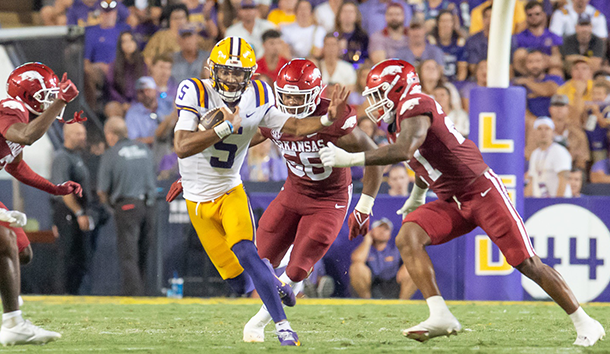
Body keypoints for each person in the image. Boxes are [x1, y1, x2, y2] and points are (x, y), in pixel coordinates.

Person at [318, 59, 605, 346]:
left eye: (380, 92)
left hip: (480, 192)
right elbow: (422, 162)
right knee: (408, 235)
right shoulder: (400, 119)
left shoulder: (416, 103)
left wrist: (351, 159)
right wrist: (417, 196)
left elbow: (405, 150)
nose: (375, 101)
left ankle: (585, 322)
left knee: (527, 263)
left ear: (398, 88)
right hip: (452, 200)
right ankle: (440, 314)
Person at [167, 37, 350, 346]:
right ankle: (269, 274)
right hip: (197, 199)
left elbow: (291, 125)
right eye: (224, 71)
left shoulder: (260, 94)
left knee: (245, 250)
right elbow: (182, 147)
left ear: (249, 74)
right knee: (239, 284)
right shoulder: (196, 91)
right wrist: (222, 132)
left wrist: (328, 119)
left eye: (237, 74)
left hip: (229, 189)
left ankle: (282, 326)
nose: (229, 79)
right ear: (213, 69)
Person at [241, 58, 382, 342]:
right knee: (259, 258)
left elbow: (375, 157)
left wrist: (364, 206)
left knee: (295, 269)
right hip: (293, 191)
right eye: (287, 95)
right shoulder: (274, 116)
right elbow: (239, 143)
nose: (291, 101)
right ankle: (275, 302)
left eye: (298, 96)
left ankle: (257, 324)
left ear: (315, 94)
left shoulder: (335, 119)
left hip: (329, 200)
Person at [0, 62, 84, 345]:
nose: (50, 102)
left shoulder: (20, 115)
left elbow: (15, 166)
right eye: (45, 96)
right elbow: (26, 136)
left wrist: (55, 188)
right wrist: (60, 100)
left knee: (22, 252)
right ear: (26, 96)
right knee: (5, 240)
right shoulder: (10, 109)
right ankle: (13, 323)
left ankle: (13, 319)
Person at [97, 117, 157, 296]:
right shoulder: (145, 149)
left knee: (128, 254)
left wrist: (110, 207)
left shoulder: (112, 153)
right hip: (150, 205)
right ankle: (146, 291)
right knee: (145, 250)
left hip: (127, 206)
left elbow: (102, 190)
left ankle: (133, 294)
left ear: (111, 135)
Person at [51, 123, 94, 295]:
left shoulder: (77, 156)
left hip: (76, 212)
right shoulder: (62, 157)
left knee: (79, 257)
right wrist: (79, 212)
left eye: (83, 133)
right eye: (78, 134)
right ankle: (62, 294)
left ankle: (73, 293)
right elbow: (63, 190)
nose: (83, 137)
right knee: (67, 256)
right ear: (67, 135)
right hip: (67, 212)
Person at [350, 218, 416, 299]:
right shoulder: (366, 249)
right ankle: (367, 303)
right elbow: (356, 260)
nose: (382, 231)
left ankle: (402, 305)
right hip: (371, 286)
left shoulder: (395, 249)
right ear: (371, 231)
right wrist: (367, 241)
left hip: (393, 286)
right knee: (357, 267)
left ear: (389, 235)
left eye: (386, 229)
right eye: (378, 228)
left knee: (413, 268)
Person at [525, 117, 573, 198]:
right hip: (540, 200)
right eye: (539, 129)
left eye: (547, 129)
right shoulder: (535, 154)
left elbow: (563, 179)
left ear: (553, 132)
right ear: (534, 133)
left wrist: (557, 202)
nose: (543, 132)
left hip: (557, 202)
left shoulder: (559, 151)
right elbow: (532, 180)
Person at [512, 1, 563, 77]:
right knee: (520, 54)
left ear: (543, 15)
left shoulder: (553, 36)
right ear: (526, 17)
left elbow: (558, 59)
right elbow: (516, 60)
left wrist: (541, 61)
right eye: (530, 15)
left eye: (537, 14)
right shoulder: (518, 37)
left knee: (556, 70)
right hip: (526, 71)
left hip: (546, 70)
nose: (534, 17)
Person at [106, 30, 148, 118]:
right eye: (124, 42)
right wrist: (123, 103)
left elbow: (145, 85)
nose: (128, 44)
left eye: (131, 40)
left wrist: (136, 103)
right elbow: (111, 87)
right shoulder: (114, 65)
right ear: (120, 46)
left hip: (139, 101)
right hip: (120, 102)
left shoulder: (143, 64)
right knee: (113, 108)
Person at [512, 50, 563, 118]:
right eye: (530, 62)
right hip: (529, 122)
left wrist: (527, 82)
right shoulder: (519, 83)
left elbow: (550, 91)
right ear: (525, 65)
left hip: (552, 121)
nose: (534, 65)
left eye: (538, 61)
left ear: (544, 63)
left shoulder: (555, 78)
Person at [125, 76, 174, 146]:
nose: (145, 94)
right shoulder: (132, 113)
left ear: (155, 90)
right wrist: (156, 139)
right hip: (147, 151)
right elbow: (132, 141)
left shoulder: (167, 104)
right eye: (141, 92)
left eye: (148, 90)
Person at [428, 10, 467, 82]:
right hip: (436, 82)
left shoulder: (459, 43)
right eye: (443, 21)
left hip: (455, 82)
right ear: (437, 23)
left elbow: (462, 70)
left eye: (449, 21)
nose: (446, 24)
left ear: (453, 23)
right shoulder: (431, 43)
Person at [334, 1, 369, 65]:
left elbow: (366, 58)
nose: (347, 15)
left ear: (356, 15)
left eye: (351, 12)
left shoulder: (363, 37)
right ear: (339, 15)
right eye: (345, 11)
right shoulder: (333, 36)